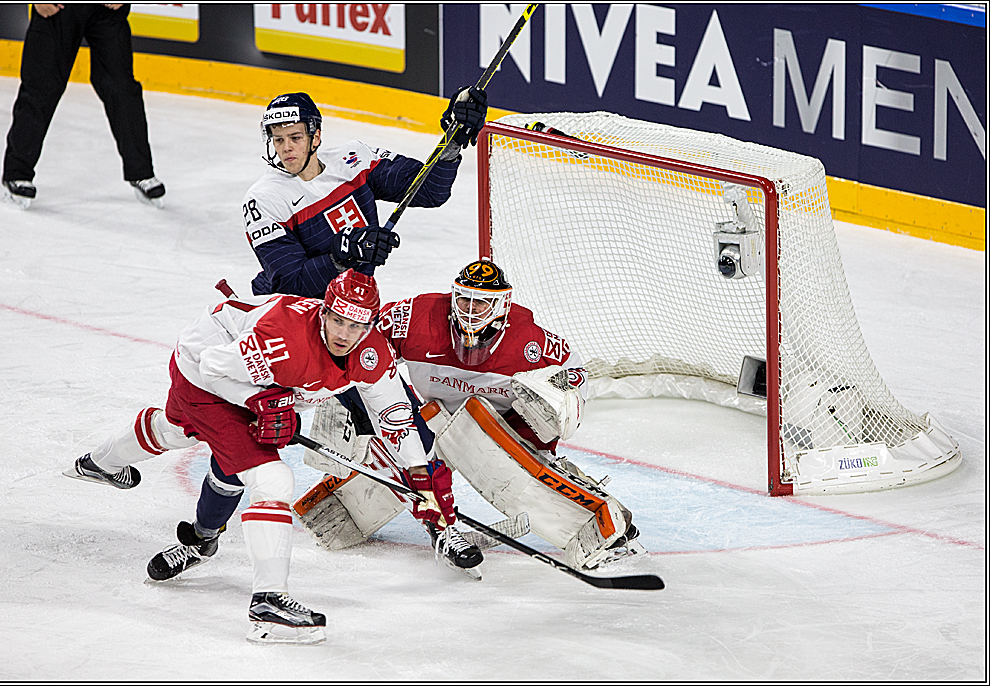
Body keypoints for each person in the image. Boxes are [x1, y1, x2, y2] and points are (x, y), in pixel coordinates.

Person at [63, 270, 471, 644]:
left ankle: (102, 464)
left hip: (241, 369)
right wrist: (259, 400)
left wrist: (418, 474)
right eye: (339, 321)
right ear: (324, 312)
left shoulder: (371, 351)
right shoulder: (284, 340)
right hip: (204, 372)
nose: (346, 334)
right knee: (272, 479)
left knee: (177, 432)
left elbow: (391, 412)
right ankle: (269, 603)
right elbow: (212, 368)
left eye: (358, 325)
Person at [295, 260, 643, 571]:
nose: (472, 310)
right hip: (438, 413)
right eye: (465, 300)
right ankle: (352, 507)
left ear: (502, 305)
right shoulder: (414, 318)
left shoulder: (528, 340)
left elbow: (573, 369)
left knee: (482, 427)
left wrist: (558, 405)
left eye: (482, 303)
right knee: (406, 430)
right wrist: (348, 396)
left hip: (505, 423)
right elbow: (358, 341)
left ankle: (592, 517)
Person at [242, 87, 487, 298]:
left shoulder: (355, 159)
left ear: (315, 136)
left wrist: (453, 140)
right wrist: (341, 255)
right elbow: (289, 284)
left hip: (352, 307)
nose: (286, 148)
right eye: (278, 139)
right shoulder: (264, 199)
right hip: (293, 313)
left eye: (295, 137)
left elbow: (430, 191)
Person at [1, 3, 165, 209]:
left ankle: (141, 173)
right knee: (42, 86)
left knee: (121, 87)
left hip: (105, 10)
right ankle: (17, 173)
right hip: (60, 8)